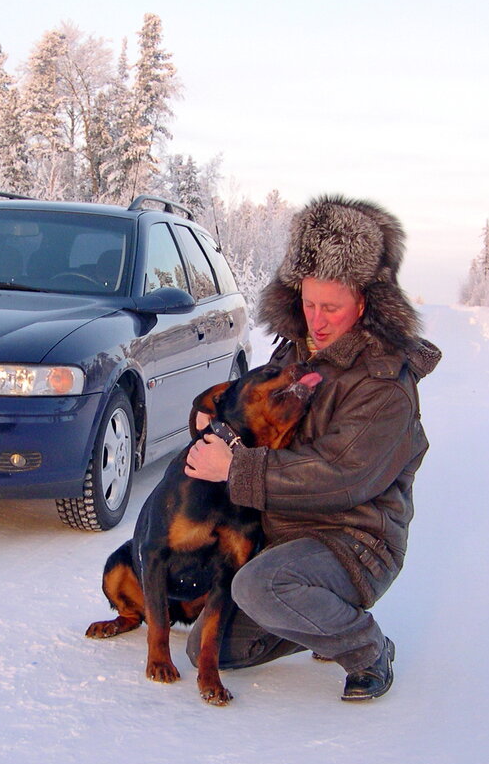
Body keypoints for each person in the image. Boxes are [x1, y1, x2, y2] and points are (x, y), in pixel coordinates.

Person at [184, 194, 440, 700]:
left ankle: (367, 649)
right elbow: (258, 411)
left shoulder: (384, 384)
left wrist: (235, 469)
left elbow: (338, 475)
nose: (317, 321)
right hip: (283, 533)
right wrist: (213, 415)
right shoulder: (297, 349)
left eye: (332, 308)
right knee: (208, 649)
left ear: (364, 302)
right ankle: (316, 616)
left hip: (354, 542)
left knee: (259, 588)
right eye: (308, 304)